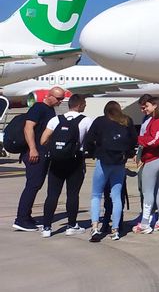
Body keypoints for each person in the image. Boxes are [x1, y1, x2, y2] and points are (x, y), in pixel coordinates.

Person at [39, 94, 92, 237]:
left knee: (52, 194)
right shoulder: (86, 121)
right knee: (73, 194)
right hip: (75, 161)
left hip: (56, 162)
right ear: (80, 105)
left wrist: (56, 148)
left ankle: (47, 227)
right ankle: (71, 225)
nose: (85, 106)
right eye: (84, 104)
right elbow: (92, 140)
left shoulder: (55, 119)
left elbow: (43, 140)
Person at [12, 86, 64, 232]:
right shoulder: (38, 108)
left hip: (41, 153)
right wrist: (33, 149)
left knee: (35, 185)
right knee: (32, 185)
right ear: (50, 96)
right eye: (58, 98)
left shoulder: (49, 110)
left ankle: (26, 217)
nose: (61, 101)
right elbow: (28, 128)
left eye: (62, 98)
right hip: (34, 154)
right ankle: (21, 219)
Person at [83, 100, 135, 242]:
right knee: (116, 196)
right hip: (119, 162)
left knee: (96, 195)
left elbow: (88, 140)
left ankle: (95, 227)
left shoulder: (100, 121)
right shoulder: (126, 120)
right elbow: (133, 141)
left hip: (103, 161)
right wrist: (127, 154)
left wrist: (94, 152)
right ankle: (116, 230)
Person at [133, 97, 159, 233]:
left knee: (148, 192)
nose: (144, 108)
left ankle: (145, 224)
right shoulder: (156, 120)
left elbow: (155, 141)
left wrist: (138, 140)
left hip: (153, 159)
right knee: (157, 190)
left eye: (146, 106)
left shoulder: (157, 121)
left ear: (155, 106)